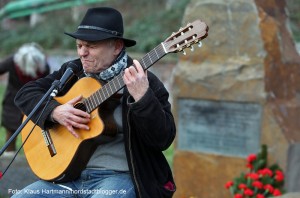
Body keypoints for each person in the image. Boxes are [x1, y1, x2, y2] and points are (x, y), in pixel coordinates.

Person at [13, 7, 176, 198]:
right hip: (67, 177)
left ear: (116, 47)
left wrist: (143, 98)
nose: (82, 53)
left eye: (90, 46)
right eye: (79, 45)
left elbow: (163, 139)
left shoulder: (145, 81)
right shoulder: (72, 72)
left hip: (118, 178)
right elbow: (26, 93)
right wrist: (54, 112)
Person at [0, 42, 50, 157]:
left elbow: (47, 85)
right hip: (12, 101)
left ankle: (35, 156)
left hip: (34, 101)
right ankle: (9, 154)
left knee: (36, 130)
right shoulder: (12, 62)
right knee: (11, 128)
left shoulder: (44, 66)